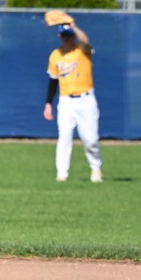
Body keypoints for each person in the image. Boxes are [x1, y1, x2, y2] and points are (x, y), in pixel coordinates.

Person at [43, 22, 103, 183]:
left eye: (69, 36)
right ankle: (62, 173)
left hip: (86, 100)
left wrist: (74, 27)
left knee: (90, 140)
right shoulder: (55, 55)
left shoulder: (82, 50)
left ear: (74, 36)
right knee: (64, 136)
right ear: (59, 36)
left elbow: (85, 41)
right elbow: (53, 80)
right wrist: (48, 103)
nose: (66, 39)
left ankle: (96, 167)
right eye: (64, 36)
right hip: (66, 101)